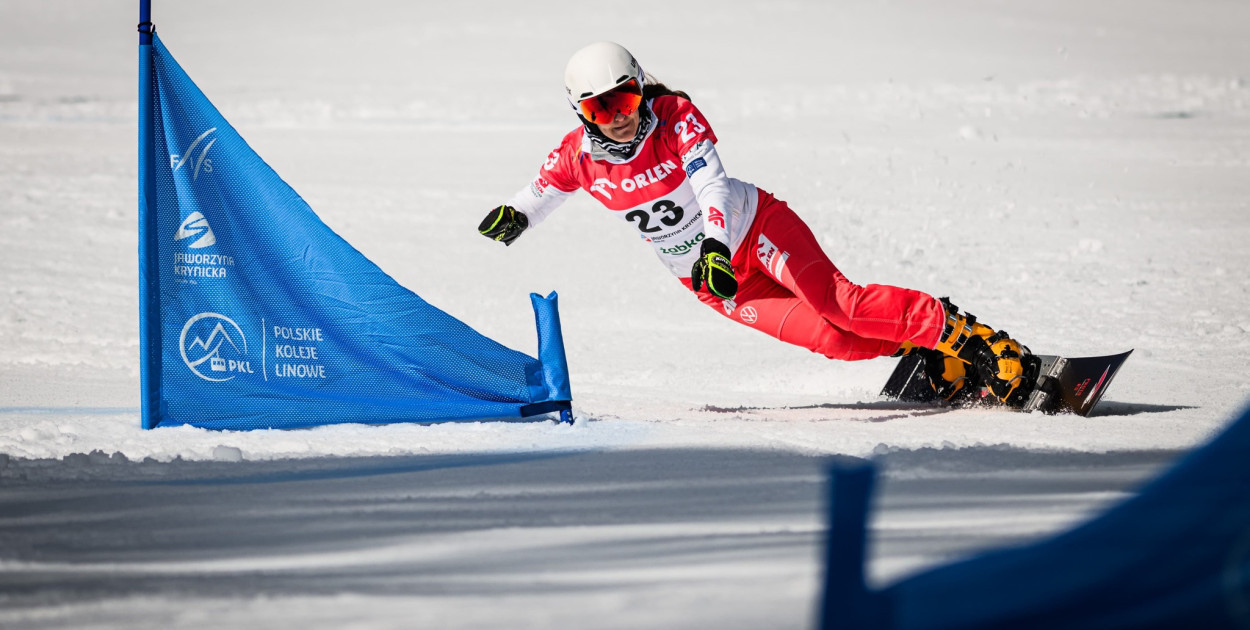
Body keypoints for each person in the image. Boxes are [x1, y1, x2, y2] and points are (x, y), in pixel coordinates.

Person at [478, 41, 1034, 406]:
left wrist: (716, 245)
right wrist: (517, 215)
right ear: (580, 113)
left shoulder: (674, 119)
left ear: (641, 87)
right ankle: (929, 354)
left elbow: (710, 183)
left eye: (625, 97)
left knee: (842, 303)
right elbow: (544, 189)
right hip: (712, 282)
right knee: (834, 339)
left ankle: (978, 342)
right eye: (601, 109)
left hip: (753, 231)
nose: (621, 116)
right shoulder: (579, 155)